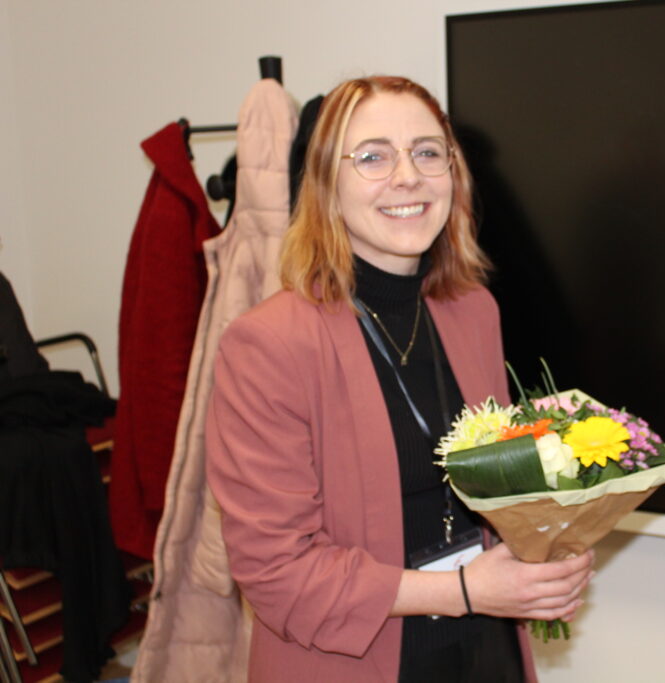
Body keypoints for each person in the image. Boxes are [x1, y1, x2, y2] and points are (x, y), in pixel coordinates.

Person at [205, 75, 594, 683]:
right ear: (326, 186)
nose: (407, 175)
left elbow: (497, 488)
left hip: (484, 646)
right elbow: (276, 572)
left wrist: (547, 550)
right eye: (373, 156)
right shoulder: (268, 344)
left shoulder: (472, 311)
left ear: (453, 175)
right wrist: (463, 590)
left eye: (427, 151)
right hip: (356, 659)